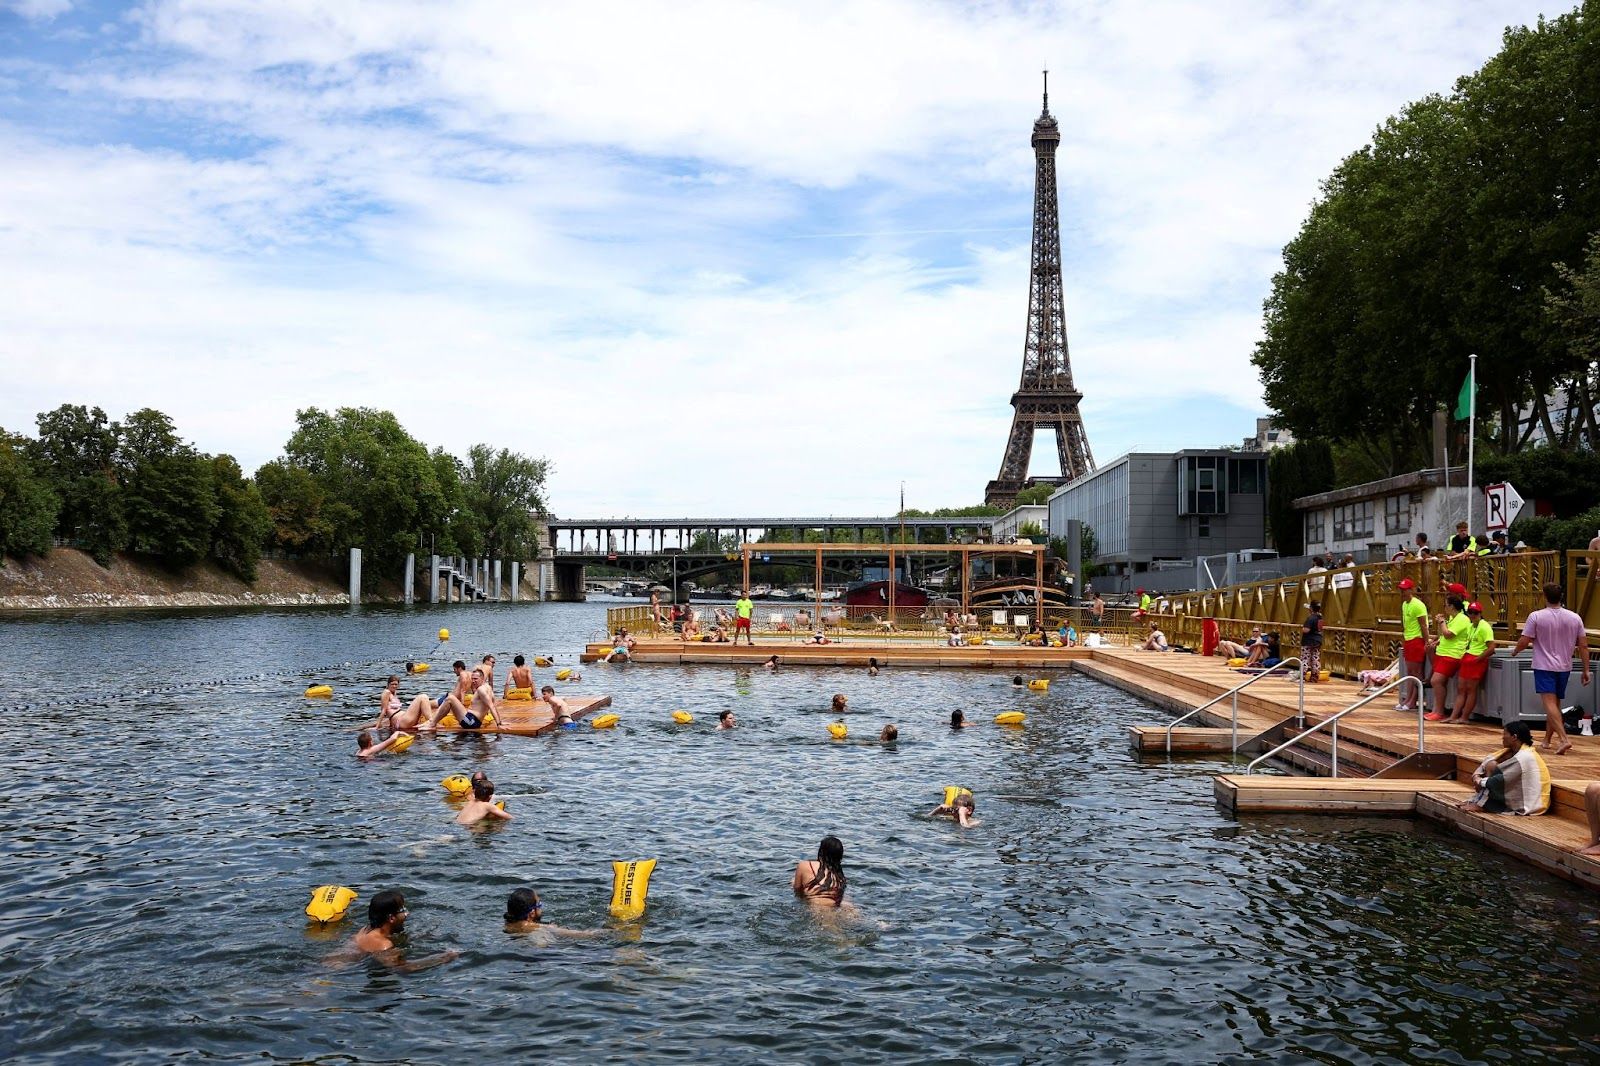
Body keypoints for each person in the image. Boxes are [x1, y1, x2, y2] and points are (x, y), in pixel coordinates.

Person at [1511, 582, 1592, 755]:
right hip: (1564, 665)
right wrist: (1586, 669)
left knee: (1549, 704)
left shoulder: (1536, 616)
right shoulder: (1574, 617)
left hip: (1544, 665)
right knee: (1555, 704)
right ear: (1561, 597)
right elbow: (1584, 646)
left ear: (1544, 596)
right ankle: (1547, 740)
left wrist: (1516, 651)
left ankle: (1564, 739)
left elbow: (1525, 640)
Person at [344, 890, 458, 971]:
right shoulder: (384, 945)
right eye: (403, 910)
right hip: (343, 971)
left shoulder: (365, 930)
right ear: (391, 918)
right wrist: (443, 958)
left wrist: (421, 937)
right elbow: (404, 968)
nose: (407, 913)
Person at [1457, 721, 1548, 815]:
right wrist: (1477, 777)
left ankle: (1482, 804)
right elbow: (1489, 764)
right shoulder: (1512, 752)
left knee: (1494, 777)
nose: (1503, 737)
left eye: (1505, 734)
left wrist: (1480, 781)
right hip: (1522, 793)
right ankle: (1479, 801)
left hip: (1531, 802)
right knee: (1492, 765)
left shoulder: (1525, 756)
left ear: (1514, 737)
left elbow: (1502, 779)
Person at [1446, 602, 1495, 723]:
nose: (1472, 615)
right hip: (1468, 657)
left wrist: (1478, 659)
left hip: (1476, 659)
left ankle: (1464, 717)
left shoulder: (1484, 627)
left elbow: (1491, 648)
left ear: (1480, 613)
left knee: (1471, 689)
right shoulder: (1470, 626)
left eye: (1475, 613)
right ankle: (1454, 716)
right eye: (1470, 612)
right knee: (1461, 689)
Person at [1424, 595, 1469, 723]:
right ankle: (1436, 710)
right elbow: (1444, 635)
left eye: (1445, 605)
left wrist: (1442, 622)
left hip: (1452, 654)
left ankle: (1439, 711)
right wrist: (1437, 641)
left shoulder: (1462, 619)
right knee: (1438, 682)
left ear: (1452, 606)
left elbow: (1449, 634)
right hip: (1443, 652)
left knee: (1436, 681)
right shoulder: (1452, 618)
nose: (1444, 608)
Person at [503, 888, 597, 939]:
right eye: (539, 904)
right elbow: (585, 935)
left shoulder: (507, 926)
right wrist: (609, 930)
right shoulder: (542, 928)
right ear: (532, 913)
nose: (541, 908)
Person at [1396, 578, 1430, 712]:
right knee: (1410, 671)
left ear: (1411, 590)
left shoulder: (1418, 605)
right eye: (1401, 590)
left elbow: (1423, 625)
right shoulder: (1405, 604)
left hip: (1416, 640)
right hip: (1408, 639)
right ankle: (1408, 699)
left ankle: (1412, 700)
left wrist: (1426, 641)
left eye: (1405, 590)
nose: (1403, 592)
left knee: (1416, 672)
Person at [792, 836, 846, 907]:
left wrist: (793, 883)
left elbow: (797, 891)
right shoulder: (839, 876)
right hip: (837, 908)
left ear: (821, 851)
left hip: (817, 907)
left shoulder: (804, 865)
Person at [1301, 600, 1323, 682]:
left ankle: (1302, 676)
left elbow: (1306, 630)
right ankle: (1315, 676)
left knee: (1305, 658)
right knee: (1315, 658)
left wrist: (1302, 629)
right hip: (1318, 640)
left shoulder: (1311, 618)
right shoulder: (1320, 617)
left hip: (1308, 641)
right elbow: (1320, 628)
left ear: (1311, 608)